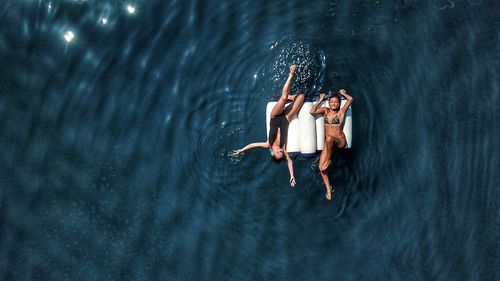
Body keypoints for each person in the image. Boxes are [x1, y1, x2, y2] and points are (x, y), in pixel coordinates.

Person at [232, 65, 305, 187]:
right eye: (281, 152)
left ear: (272, 152)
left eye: (277, 152)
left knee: (283, 98)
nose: (280, 151)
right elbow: (290, 162)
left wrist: (241, 150)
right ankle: (292, 96)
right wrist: (292, 176)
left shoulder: (268, 144)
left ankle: (291, 74)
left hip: (275, 116)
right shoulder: (284, 148)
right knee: (302, 96)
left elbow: (252, 145)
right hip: (286, 118)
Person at [310, 89, 353, 200]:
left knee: (329, 138)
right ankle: (328, 189)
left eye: (336, 102)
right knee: (321, 168)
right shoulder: (325, 110)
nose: (333, 103)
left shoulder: (341, 112)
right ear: (329, 103)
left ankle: (329, 160)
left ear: (339, 103)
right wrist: (320, 100)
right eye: (331, 102)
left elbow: (351, 99)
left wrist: (343, 93)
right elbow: (312, 112)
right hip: (329, 143)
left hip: (339, 141)